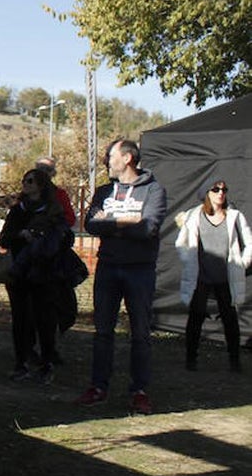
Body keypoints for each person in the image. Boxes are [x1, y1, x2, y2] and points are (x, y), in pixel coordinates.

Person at [76, 139, 167, 415]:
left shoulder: (153, 190)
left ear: (127, 158)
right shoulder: (104, 191)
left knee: (140, 332)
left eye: (110, 156)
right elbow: (91, 224)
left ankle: (139, 391)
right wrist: (126, 221)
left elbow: (148, 228)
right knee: (103, 331)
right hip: (108, 267)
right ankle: (98, 386)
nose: (107, 161)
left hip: (140, 269)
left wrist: (110, 223)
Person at [0, 168, 72, 384]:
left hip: (45, 272)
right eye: (24, 180)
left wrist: (44, 240)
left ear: (41, 185)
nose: (25, 184)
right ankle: (21, 362)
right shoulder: (18, 210)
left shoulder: (53, 210)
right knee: (20, 319)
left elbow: (66, 238)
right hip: (19, 273)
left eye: (30, 181)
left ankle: (47, 362)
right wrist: (21, 235)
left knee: (45, 319)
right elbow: (5, 238)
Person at [175, 180, 252, 372]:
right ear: (206, 193)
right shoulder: (194, 215)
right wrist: (189, 260)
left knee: (230, 319)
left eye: (224, 189)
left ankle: (234, 361)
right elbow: (181, 243)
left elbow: (249, 241)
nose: (220, 193)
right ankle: (191, 359)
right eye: (216, 189)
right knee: (196, 317)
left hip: (225, 277)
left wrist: (242, 262)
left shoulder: (234, 216)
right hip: (201, 276)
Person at [35, 155, 76, 227]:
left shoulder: (60, 194)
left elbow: (70, 219)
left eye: (48, 169)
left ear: (53, 173)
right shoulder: (26, 193)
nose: (43, 172)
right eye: (40, 168)